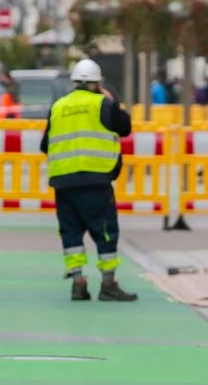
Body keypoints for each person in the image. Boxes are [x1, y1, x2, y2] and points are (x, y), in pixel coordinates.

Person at [39, 59, 137, 302]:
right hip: (95, 182)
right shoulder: (104, 104)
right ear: (97, 84)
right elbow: (125, 128)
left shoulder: (58, 106)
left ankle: (78, 283)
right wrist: (110, 100)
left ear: (73, 83)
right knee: (104, 232)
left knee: (71, 233)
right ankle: (108, 284)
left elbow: (45, 145)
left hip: (63, 182)